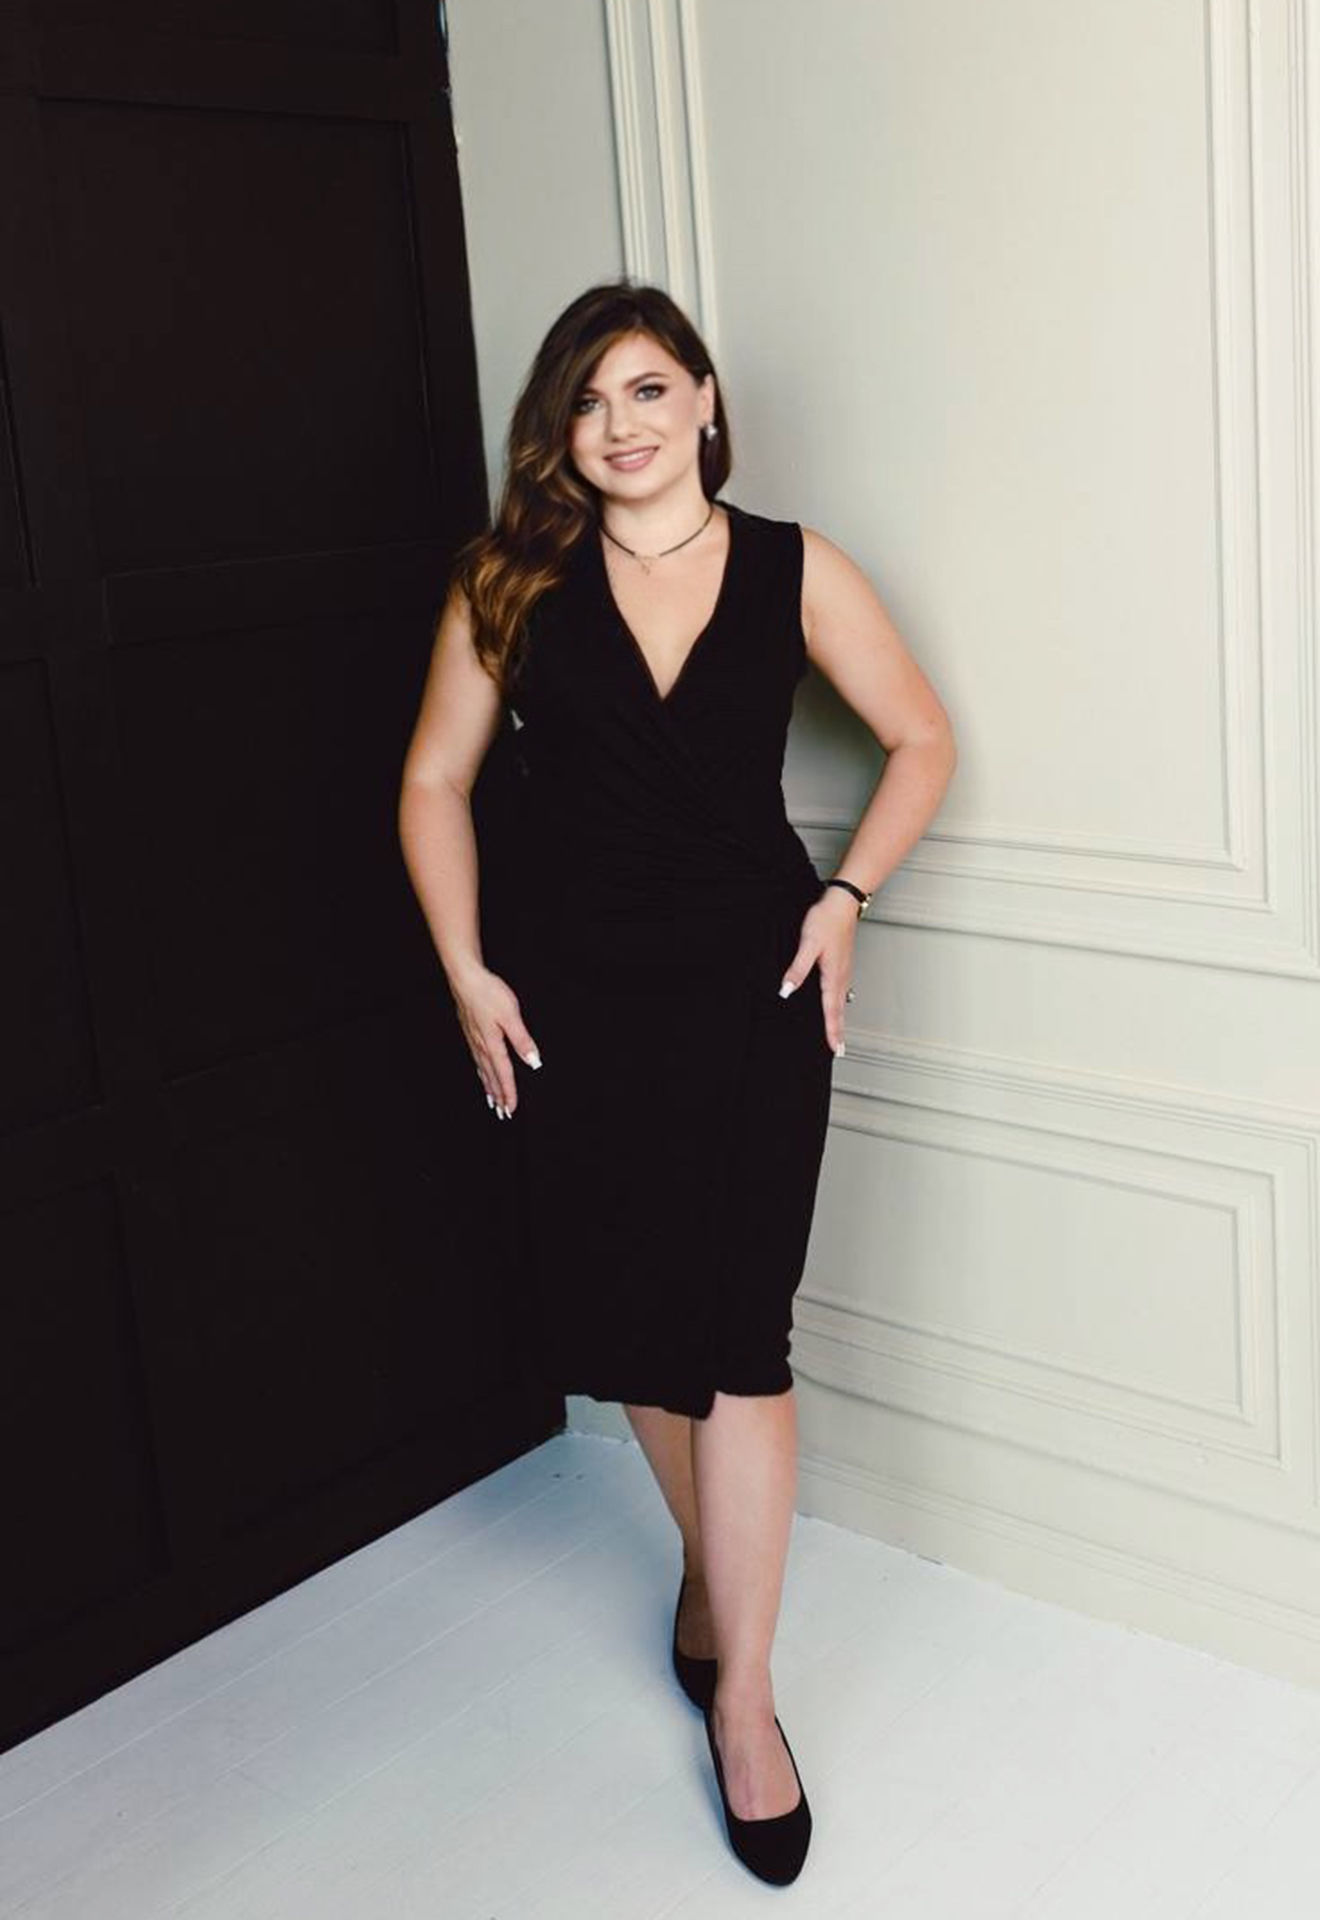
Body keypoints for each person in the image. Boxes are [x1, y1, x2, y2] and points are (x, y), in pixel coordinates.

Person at [397, 279, 956, 1885]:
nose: (619, 424)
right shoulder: (510, 581)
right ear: (560, 434)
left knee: (741, 1334)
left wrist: (845, 899)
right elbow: (432, 779)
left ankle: (748, 1704)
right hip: (574, 1003)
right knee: (637, 1323)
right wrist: (467, 970)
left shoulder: (793, 567)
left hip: (753, 992)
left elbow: (921, 739)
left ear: (706, 400)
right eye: (586, 402)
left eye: (647, 388)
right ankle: (716, 1570)